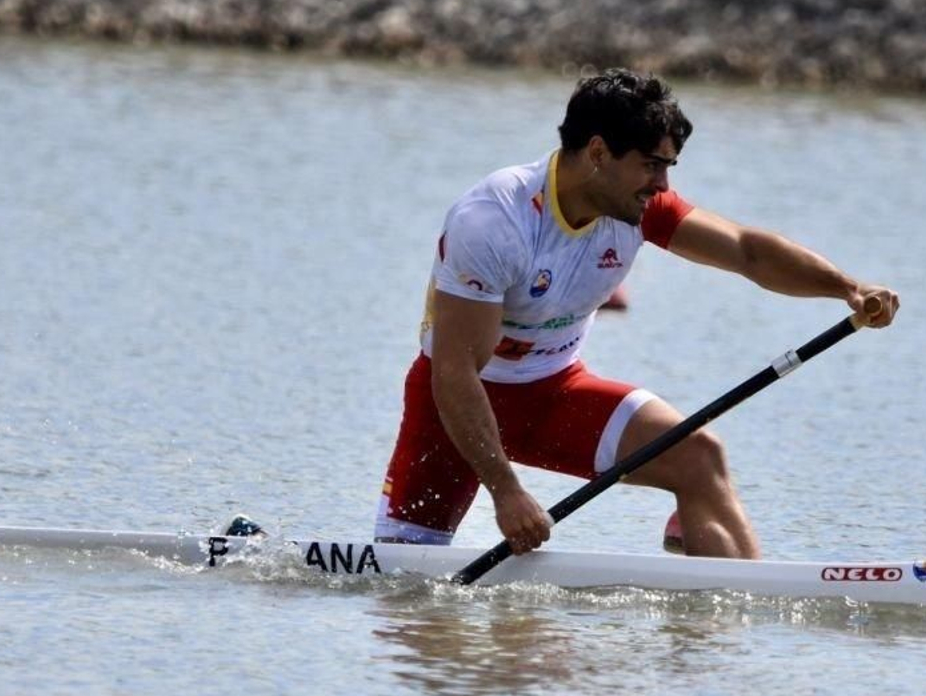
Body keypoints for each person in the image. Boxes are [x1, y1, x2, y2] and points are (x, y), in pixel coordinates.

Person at [376, 69, 898, 559]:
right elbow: (454, 371)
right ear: (599, 152)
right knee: (404, 586)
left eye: (668, 167)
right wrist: (507, 492)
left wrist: (847, 288)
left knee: (699, 457)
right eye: (652, 165)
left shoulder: (640, 210)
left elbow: (747, 251)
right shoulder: (494, 222)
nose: (663, 186)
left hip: (555, 395)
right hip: (454, 405)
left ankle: (739, 626)